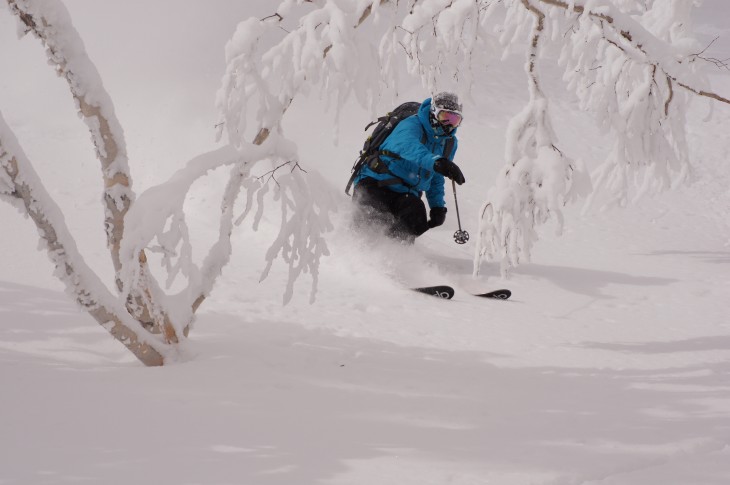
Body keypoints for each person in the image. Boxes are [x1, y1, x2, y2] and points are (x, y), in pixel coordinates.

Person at [352, 91, 466, 242]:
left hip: (406, 194)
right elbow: (408, 146)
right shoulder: (412, 124)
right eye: (444, 117)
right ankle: (356, 252)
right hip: (376, 183)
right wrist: (437, 162)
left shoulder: (449, 143)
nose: (448, 125)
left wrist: (437, 206)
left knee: (415, 222)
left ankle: (397, 257)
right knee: (372, 221)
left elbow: (436, 176)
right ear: (433, 113)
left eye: (455, 120)